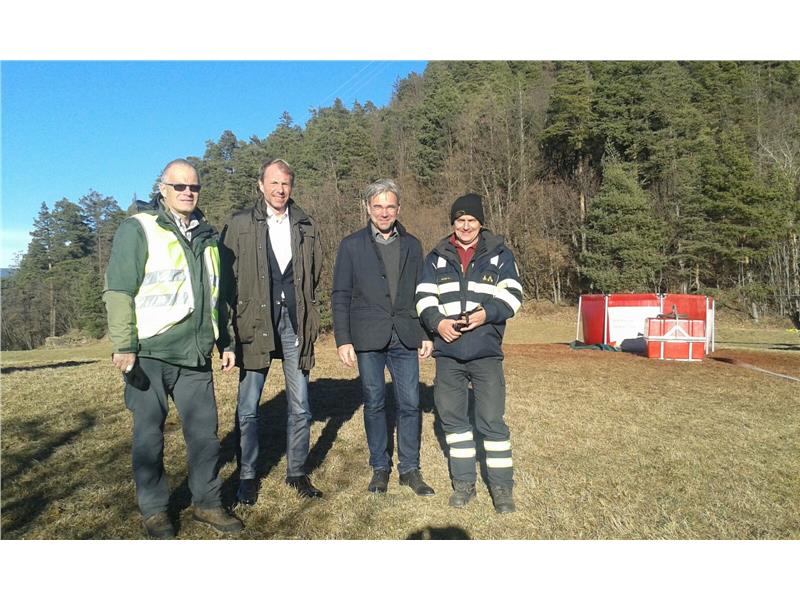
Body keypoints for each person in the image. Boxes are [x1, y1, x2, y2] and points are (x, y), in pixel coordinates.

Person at [104, 158, 243, 538]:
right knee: (148, 437)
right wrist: (124, 344)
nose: (187, 192)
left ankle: (207, 503)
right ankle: (154, 510)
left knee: (205, 436)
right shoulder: (139, 229)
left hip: (194, 355)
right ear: (162, 189)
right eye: (179, 186)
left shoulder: (208, 237)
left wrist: (225, 341)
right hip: (148, 352)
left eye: (194, 187)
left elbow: (217, 297)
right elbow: (118, 290)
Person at [220, 159, 323, 503]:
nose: (280, 189)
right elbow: (225, 279)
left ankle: (297, 472)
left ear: (292, 187)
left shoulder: (305, 224)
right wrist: (230, 330)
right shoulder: (239, 224)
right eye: (274, 183)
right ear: (260, 185)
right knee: (248, 407)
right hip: (254, 323)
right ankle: (248, 476)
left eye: (286, 183)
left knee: (301, 405)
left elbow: (315, 272)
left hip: (295, 321)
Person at [415, 194, 523, 513]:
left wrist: (486, 314)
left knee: (491, 421)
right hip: (448, 354)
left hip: (486, 352)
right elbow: (423, 298)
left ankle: (501, 488)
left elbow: (513, 296)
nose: (465, 226)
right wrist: (438, 322)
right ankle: (464, 484)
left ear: (481, 223)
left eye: (471, 220)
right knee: (454, 422)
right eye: (460, 220)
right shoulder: (436, 257)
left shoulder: (500, 254)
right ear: (453, 223)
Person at [332, 179, 435, 496]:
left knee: (410, 403)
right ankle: (380, 467)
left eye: (390, 206)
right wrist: (343, 339)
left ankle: (410, 469)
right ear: (368, 208)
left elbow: (422, 292)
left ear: (399, 208)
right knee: (374, 402)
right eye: (378, 206)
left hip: (405, 335)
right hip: (367, 337)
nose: (384, 212)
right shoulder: (351, 245)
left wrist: (426, 332)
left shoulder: (413, 245)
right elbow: (341, 294)